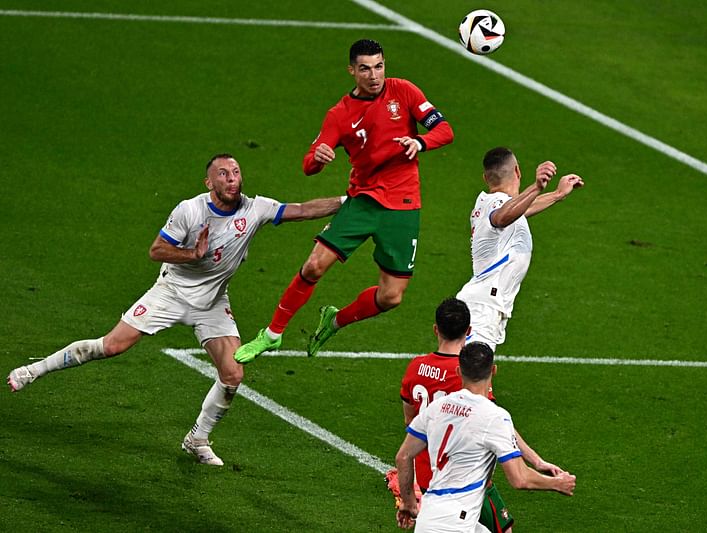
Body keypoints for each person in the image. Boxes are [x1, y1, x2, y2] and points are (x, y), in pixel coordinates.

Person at [7, 154, 343, 466]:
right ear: (209, 183)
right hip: (170, 293)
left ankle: (197, 438)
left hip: (213, 303)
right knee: (111, 346)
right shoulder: (190, 211)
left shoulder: (255, 209)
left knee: (233, 373)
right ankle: (32, 371)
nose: (232, 179)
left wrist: (347, 203)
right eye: (223, 174)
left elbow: (301, 209)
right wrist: (191, 255)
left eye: (236, 172)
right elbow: (157, 250)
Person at [235, 38, 454, 362]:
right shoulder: (340, 114)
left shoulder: (404, 91)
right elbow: (309, 163)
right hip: (363, 201)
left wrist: (420, 142)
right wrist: (319, 158)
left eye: (379, 66)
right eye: (365, 68)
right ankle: (272, 335)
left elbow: (445, 130)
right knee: (313, 266)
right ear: (352, 70)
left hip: (404, 205)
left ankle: (334, 321)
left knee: (392, 296)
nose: (374, 75)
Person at [396, 297, 566, 532]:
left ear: (436, 329)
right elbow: (497, 425)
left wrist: (408, 499)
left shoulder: (416, 367)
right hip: (465, 471)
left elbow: (409, 422)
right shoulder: (469, 372)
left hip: (430, 473)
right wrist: (536, 461)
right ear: (469, 330)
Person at [456, 147, 584, 351]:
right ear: (517, 171)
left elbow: (521, 210)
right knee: (472, 377)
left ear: (485, 177)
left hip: (484, 303)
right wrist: (536, 187)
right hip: (484, 308)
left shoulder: (490, 203)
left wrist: (557, 194)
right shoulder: (497, 204)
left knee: (475, 377)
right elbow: (502, 216)